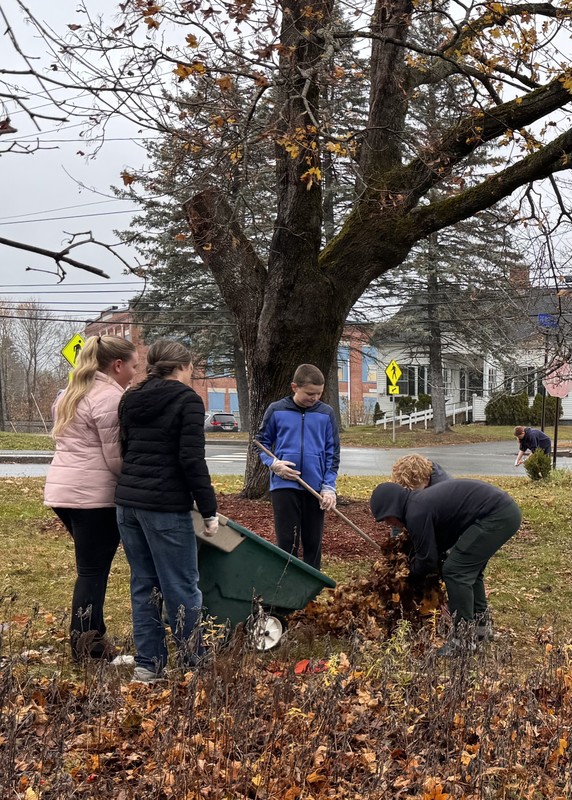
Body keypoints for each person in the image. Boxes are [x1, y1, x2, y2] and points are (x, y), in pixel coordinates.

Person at [115, 339, 218, 683]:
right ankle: (192, 664)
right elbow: (191, 459)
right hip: (165, 507)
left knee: (144, 585)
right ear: (184, 367)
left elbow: (127, 448)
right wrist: (209, 510)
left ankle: (148, 666)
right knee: (182, 587)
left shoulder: (131, 397)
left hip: (129, 504)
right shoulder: (188, 400)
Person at [44, 334, 139, 661]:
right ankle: (87, 649)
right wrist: (138, 482)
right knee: (92, 572)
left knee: (91, 569)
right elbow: (115, 460)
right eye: (132, 367)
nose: (134, 374)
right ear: (117, 365)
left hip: (63, 493)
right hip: (93, 497)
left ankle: (93, 641)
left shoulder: (73, 391)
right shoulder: (110, 398)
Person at [370, 479, 522, 656]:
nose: (389, 524)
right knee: (469, 571)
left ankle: (463, 642)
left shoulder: (416, 512)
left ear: (393, 507)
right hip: (503, 512)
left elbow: (427, 560)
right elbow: (437, 545)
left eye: (387, 518)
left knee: (456, 571)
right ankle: (482, 630)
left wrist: (406, 576)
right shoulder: (417, 504)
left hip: (496, 516)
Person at [256, 363, 340, 570]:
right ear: (295, 387)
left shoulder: (326, 413)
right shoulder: (276, 410)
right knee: (287, 541)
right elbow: (260, 443)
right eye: (309, 393)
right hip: (284, 486)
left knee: (313, 542)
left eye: (319, 394)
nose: (314, 398)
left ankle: (311, 593)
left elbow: (332, 453)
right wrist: (274, 464)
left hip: (315, 487)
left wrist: (329, 487)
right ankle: (285, 587)